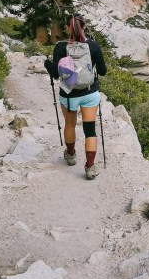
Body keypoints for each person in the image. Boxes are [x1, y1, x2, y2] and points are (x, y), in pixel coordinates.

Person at [44, 14, 107, 179]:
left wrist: (47, 64)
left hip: (69, 94)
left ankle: (71, 155)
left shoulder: (60, 47)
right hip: (89, 93)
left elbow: (56, 75)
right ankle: (90, 166)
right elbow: (102, 71)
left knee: (70, 125)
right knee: (90, 130)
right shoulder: (93, 46)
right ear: (84, 27)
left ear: (67, 27)